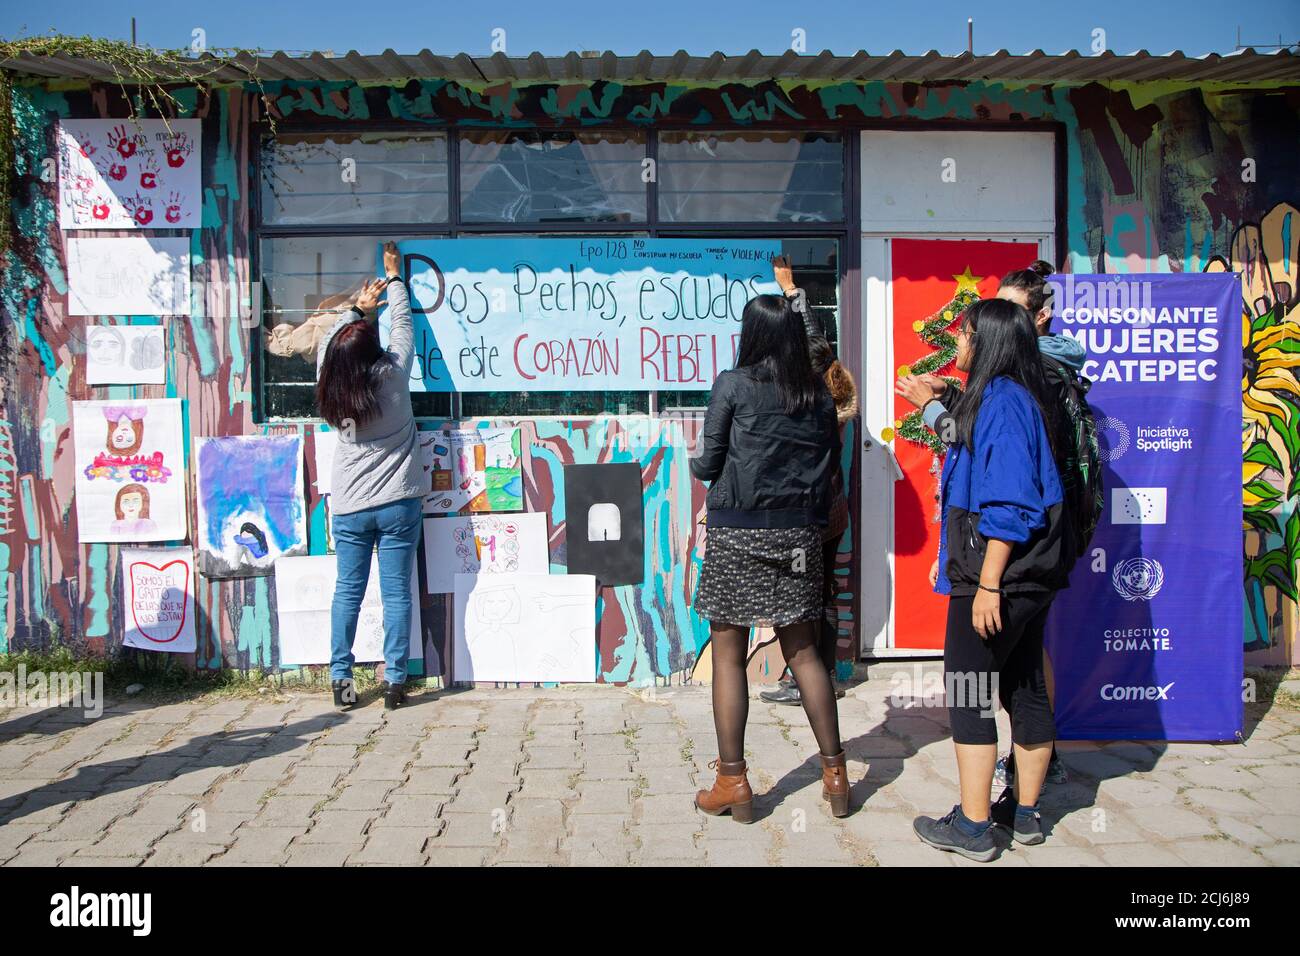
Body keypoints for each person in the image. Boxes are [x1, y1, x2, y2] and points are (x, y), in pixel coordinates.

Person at [896, 260, 1081, 789]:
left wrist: (988, 586)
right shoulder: (1015, 392)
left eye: (966, 334)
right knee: (1024, 689)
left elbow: (1008, 502)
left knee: (970, 692)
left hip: (999, 572)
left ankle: (974, 825)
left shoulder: (1005, 402)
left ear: (990, 343)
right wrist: (946, 400)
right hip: (1029, 572)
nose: (957, 343)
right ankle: (1024, 815)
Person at [690, 292, 851, 821]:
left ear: (751, 334)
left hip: (738, 534)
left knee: (729, 653)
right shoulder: (819, 397)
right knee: (805, 654)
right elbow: (829, 466)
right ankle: (835, 774)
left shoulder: (733, 385)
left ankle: (732, 782)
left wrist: (700, 456)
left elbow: (709, 462)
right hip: (799, 538)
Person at [316, 241, 426, 711]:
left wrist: (354, 311)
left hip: (350, 508)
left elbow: (328, 346)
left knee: (348, 593)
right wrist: (395, 278)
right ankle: (395, 684)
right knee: (396, 594)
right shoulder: (394, 375)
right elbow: (404, 326)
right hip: (398, 504)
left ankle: (342, 680)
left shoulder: (331, 387)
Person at [761, 335, 857, 704]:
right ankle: (825, 675)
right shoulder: (834, 398)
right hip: (832, 514)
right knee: (823, 594)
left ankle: (808, 678)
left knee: (806, 597)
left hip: (812, 519)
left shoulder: (814, 408)